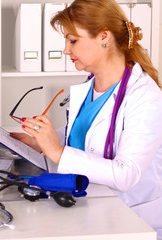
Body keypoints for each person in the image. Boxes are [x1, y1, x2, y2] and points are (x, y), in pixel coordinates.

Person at [10, 0, 162, 238]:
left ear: (104, 37)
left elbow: (126, 174)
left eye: (73, 40)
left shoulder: (144, 96)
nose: (66, 50)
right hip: (89, 210)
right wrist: (40, 141)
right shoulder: (90, 85)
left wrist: (58, 151)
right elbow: (85, 134)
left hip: (130, 221)